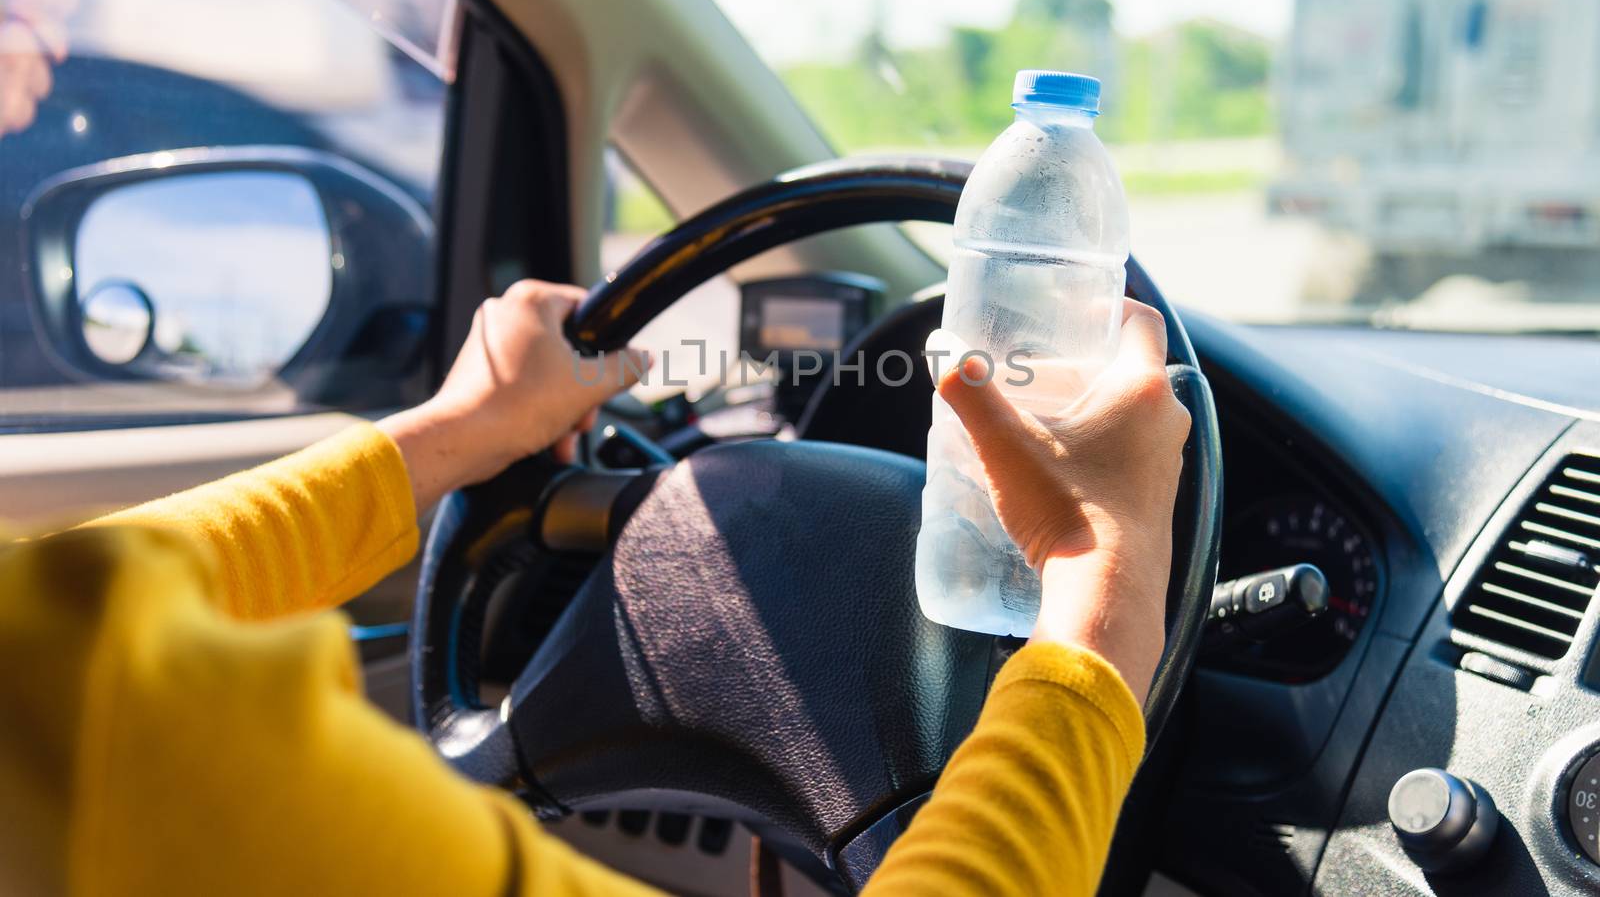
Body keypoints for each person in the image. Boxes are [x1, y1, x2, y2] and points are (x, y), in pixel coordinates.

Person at [0, 279, 1190, 897]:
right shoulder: (116, 757)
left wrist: (452, 436)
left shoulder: (71, 709)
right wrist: (1099, 605)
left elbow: (87, 616)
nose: (36, 14)